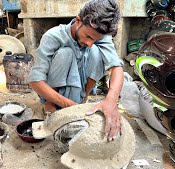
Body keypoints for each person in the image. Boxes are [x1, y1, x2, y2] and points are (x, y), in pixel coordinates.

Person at [28, 0, 124, 141]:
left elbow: (117, 67)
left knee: (97, 52)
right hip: (54, 94)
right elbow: (35, 80)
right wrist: (74, 108)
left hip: (79, 92)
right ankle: (50, 105)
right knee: (65, 53)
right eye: (89, 37)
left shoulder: (98, 36)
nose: (90, 43)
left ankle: (83, 97)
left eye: (95, 39)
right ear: (78, 21)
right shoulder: (54, 36)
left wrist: (111, 101)